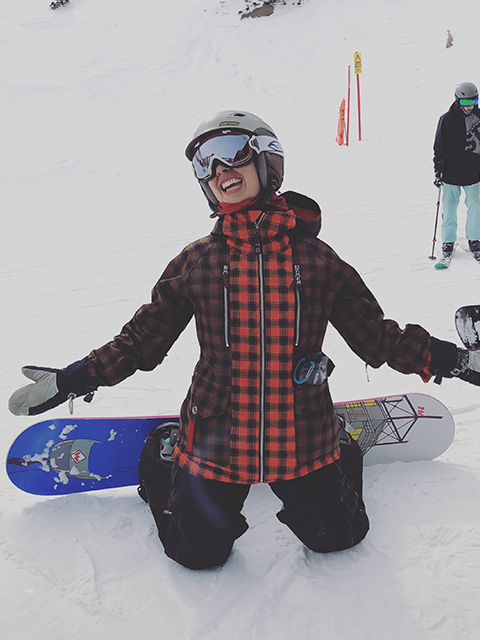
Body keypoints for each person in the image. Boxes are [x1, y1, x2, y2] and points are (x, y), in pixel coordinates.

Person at [9, 110, 480, 570]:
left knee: (339, 538)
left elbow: (379, 338)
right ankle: (164, 452)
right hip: (217, 438)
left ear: (266, 160)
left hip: (303, 437)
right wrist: (74, 377)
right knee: (195, 554)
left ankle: (342, 444)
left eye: (229, 153)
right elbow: (140, 341)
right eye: (203, 163)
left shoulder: (317, 261)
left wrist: (455, 360)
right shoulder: (198, 262)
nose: (218, 170)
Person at [434, 81, 480, 260]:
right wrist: (438, 170)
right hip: (451, 173)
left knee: (475, 207)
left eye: (473, 102)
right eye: (465, 103)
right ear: (457, 100)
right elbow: (439, 147)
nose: (469, 107)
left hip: (473, 173)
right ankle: (448, 241)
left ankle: (475, 239)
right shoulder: (446, 120)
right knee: (449, 207)